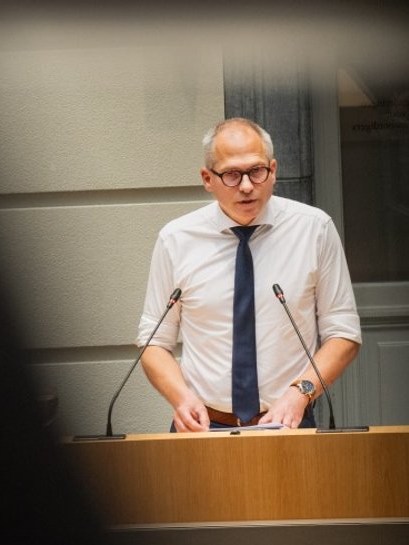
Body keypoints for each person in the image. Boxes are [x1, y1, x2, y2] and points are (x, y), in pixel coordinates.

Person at [138, 117, 361, 431]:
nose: (246, 186)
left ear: (273, 170)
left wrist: (302, 392)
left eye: (256, 171)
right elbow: (153, 341)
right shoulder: (176, 239)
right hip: (203, 425)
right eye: (231, 174)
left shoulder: (315, 230)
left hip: (289, 420)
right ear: (207, 178)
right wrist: (181, 398)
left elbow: (344, 333)